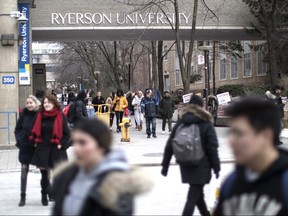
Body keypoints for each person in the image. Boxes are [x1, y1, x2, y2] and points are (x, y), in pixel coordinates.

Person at [51, 119, 153, 216]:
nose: (76, 148)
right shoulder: (66, 176)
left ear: (101, 145)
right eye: (75, 142)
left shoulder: (117, 184)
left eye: (82, 142)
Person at [214, 97, 288, 216]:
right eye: (231, 133)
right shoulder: (231, 183)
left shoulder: (284, 182)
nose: (231, 141)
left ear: (266, 136)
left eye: (239, 133)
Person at [161, 95, 220, 216]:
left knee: (197, 194)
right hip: (202, 165)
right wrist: (216, 167)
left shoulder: (182, 121)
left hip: (186, 164)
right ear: (202, 106)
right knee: (193, 196)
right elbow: (212, 147)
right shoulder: (205, 122)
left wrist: (165, 166)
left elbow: (170, 144)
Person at [29, 95, 71, 206]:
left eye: (49, 102)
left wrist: (61, 144)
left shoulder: (60, 115)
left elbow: (67, 134)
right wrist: (34, 141)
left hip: (56, 149)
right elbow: (32, 131)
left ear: (54, 104)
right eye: (45, 102)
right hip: (42, 149)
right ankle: (44, 193)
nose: (47, 104)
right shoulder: (39, 116)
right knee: (45, 175)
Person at [14, 95, 41, 207]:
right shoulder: (23, 114)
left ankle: (48, 193)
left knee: (45, 171)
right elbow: (17, 129)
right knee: (24, 171)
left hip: (37, 147)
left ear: (36, 103)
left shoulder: (40, 114)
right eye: (27, 103)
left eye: (31, 103)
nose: (29, 105)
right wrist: (20, 141)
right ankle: (22, 196)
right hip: (25, 146)